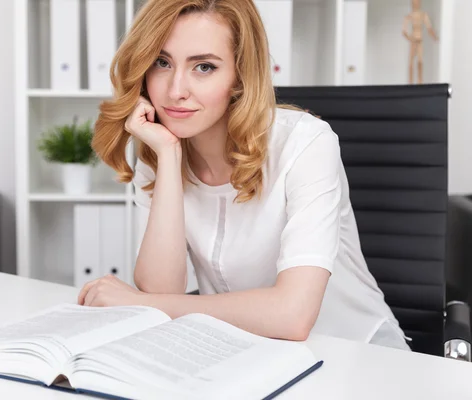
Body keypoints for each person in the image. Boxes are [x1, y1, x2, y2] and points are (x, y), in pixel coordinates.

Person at [80, 0, 411, 351]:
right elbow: (162, 291)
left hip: (358, 352)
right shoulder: (160, 147)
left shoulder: (306, 144)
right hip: (245, 351)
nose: (176, 90)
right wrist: (168, 156)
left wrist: (138, 303)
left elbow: (292, 315)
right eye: (162, 62)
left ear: (240, 75)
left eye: (204, 67)